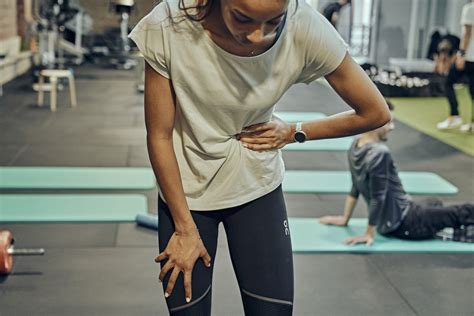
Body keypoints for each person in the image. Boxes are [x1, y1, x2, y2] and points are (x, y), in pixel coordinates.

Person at [129, 0, 390, 314]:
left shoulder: (304, 26)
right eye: (242, 18)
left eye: (273, 22)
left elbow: (375, 112)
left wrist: (294, 131)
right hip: (185, 193)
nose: (258, 37)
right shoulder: (168, 24)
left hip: (257, 186)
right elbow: (159, 135)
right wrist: (184, 228)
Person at [319, 102, 474, 246]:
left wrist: (345, 219)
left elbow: (356, 186)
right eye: (388, 122)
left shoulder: (355, 146)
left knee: (434, 202)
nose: (392, 127)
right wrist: (368, 233)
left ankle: (441, 224)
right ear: (375, 123)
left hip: (396, 219)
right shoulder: (379, 153)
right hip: (406, 223)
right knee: (462, 211)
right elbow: (377, 198)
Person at [437, 0, 474, 132]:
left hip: (468, 58)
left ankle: (454, 115)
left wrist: (461, 54)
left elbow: (467, 33)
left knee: (448, 82)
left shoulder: (470, 8)